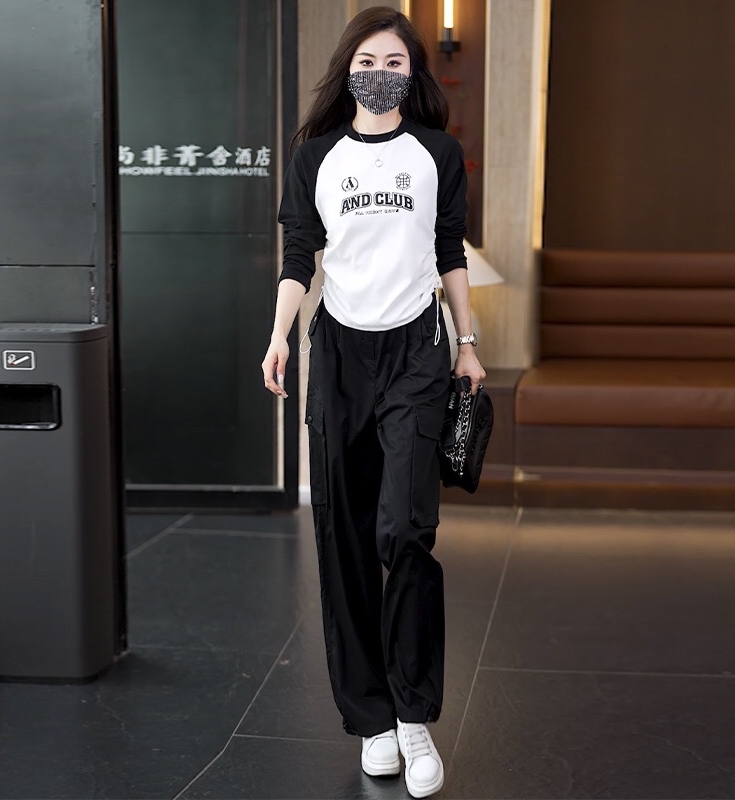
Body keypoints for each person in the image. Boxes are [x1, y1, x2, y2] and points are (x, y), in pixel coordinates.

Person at [261, 7, 485, 798]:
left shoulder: (437, 153)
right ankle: (374, 721)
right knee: (345, 536)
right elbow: (299, 253)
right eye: (367, 60)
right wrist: (280, 335)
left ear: (412, 74)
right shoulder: (316, 157)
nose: (380, 73)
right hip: (340, 355)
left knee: (405, 530)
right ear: (348, 70)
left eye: (394, 62)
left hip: (417, 352)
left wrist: (467, 342)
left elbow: (450, 250)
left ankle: (414, 714)